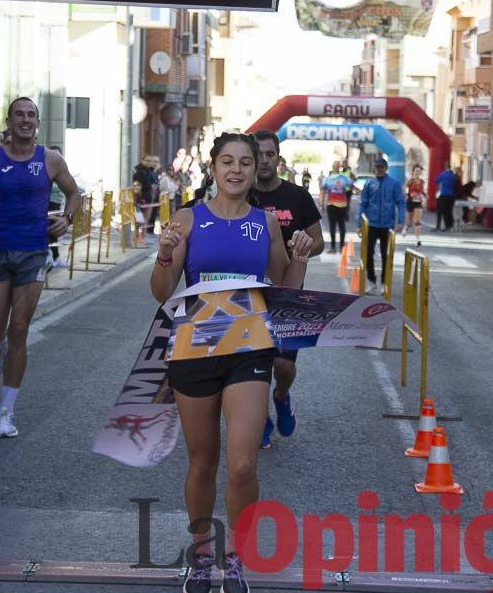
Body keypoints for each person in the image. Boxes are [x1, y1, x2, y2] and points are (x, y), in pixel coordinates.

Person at [151, 132, 313, 593]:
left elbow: (284, 291)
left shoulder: (265, 223)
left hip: (249, 349)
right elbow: (162, 292)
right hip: (195, 348)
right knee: (202, 462)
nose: (237, 170)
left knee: (242, 465)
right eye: (228, 161)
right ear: (213, 167)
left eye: (246, 161)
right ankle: (202, 554)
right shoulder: (187, 218)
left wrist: (298, 260)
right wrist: (165, 254)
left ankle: (235, 557)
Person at [0, 98, 81, 438]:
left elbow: (74, 194)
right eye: (19, 115)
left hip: (33, 254)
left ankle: (6, 412)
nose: (25, 120)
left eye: (31, 115)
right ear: (9, 121)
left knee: (20, 330)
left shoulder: (51, 159)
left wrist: (67, 218)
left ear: (37, 123)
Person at [251, 130, 324, 450]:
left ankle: (281, 397)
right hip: (249, 295)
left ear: (278, 158)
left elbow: (320, 240)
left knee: (284, 366)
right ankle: (261, 419)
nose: (265, 161)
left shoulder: (297, 197)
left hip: (288, 294)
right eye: (259, 155)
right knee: (255, 366)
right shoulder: (242, 196)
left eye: (270, 155)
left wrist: (304, 248)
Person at [357, 158, 405, 296]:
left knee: (386, 255)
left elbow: (401, 202)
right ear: (375, 168)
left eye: (382, 167)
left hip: (387, 225)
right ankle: (372, 282)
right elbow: (363, 203)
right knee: (368, 253)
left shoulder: (394, 184)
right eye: (378, 167)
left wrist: (401, 221)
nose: (380, 169)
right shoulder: (370, 184)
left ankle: (385, 283)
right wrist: (360, 222)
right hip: (371, 225)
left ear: (386, 168)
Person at [321, 160, 353, 252]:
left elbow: (322, 191)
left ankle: (333, 247)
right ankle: (341, 247)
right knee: (341, 226)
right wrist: (346, 194)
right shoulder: (344, 178)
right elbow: (351, 186)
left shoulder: (327, 179)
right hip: (341, 205)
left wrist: (321, 204)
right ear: (339, 167)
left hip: (332, 205)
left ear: (332, 167)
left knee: (333, 226)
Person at [405, 165, 426, 245]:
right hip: (410, 202)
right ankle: (406, 226)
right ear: (413, 172)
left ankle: (417, 240)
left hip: (418, 202)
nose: (417, 172)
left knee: (417, 221)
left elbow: (422, 191)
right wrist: (407, 194)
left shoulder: (422, 182)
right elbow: (405, 188)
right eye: (416, 171)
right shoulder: (410, 181)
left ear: (420, 172)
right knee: (409, 222)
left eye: (419, 171)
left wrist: (424, 195)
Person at [434, 163, 457, 232]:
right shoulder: (453, 175)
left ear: (445, 167)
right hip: (451, 195)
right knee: (449, 211)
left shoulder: (443, 174)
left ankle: (441, 226)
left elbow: (436, 180)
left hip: (443, 194)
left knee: (442, 211)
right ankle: (450, 226)